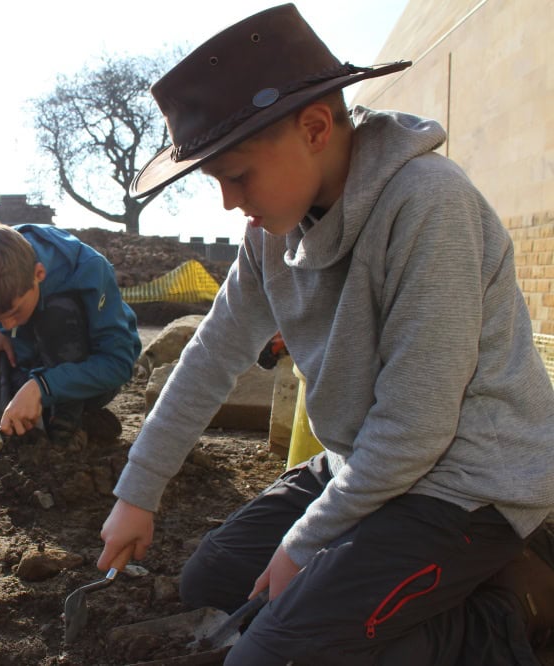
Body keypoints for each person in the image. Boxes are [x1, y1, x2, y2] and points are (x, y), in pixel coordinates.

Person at [96, 4, 554, 665]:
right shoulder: (269, 235)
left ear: (314, 127)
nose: (229, 202)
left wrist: (304, 545)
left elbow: (416, 428)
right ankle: (410, 594)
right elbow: (210, 356)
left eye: (238, 175)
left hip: (467, 480)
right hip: (364, 462)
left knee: (279, 653)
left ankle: (513, 606)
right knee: (214, 581)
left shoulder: (428, 205)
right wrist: (138, 491)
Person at [0, 222, 142, 451]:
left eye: (14, 313)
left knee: (57, 312)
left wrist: (43, 387)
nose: (9, 325)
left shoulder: (88, 270)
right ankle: (66, 423)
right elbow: (4, 314)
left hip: (85, 382)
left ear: (39, 274)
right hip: (27, 376)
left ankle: (67, 425)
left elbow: (118, 364)